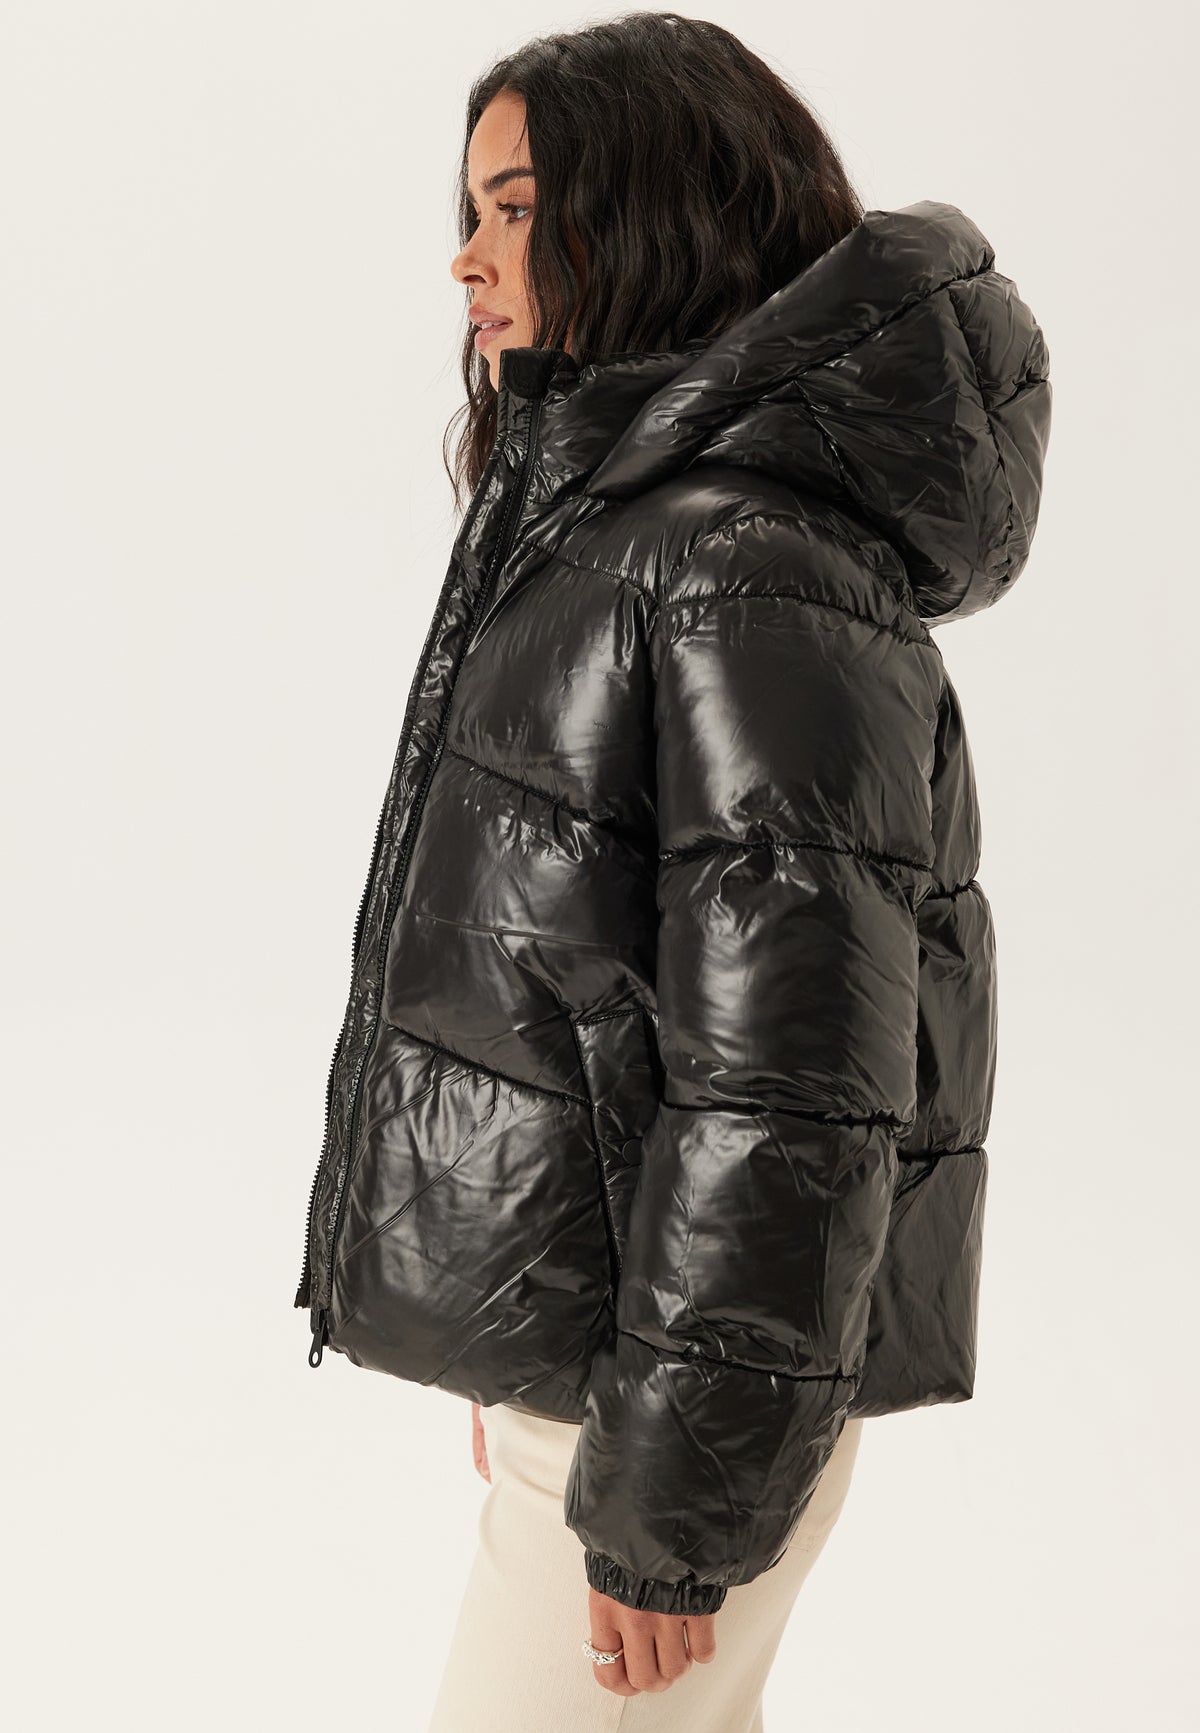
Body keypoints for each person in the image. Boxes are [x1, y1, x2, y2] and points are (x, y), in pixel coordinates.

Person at [291, 12, 1052, 1729]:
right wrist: (527, 1324)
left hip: (684, 1418)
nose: (468, 257)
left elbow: (790, 1080)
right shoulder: (634, 528)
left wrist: (669, 1485)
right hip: (627, 1378)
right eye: (469, 211)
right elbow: (591, 977)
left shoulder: (745, 565)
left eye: (514, 209)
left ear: (646, 218)